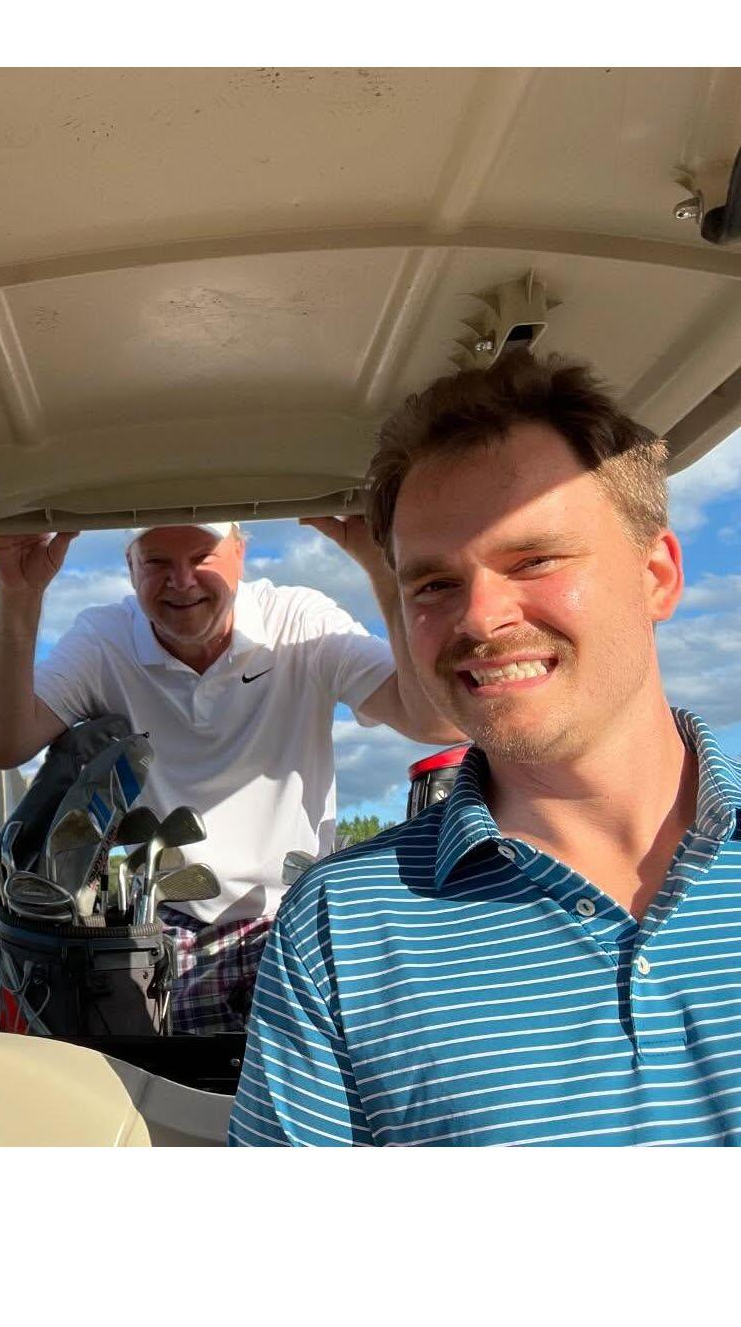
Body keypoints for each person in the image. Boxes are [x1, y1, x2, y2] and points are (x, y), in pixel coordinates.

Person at [230, 349, 741, 1146]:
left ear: (658, 575)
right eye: (433, 584)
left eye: (533, 559)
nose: (479, 618)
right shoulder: (344, 928)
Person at [0, 517, 460, 1034]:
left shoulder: (299, 621)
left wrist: (387, 573)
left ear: (240, 556)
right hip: (169, 925)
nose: (181, 581)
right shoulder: (104, 638)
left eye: (202, 557)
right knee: (176, 1103)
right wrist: (18, 594)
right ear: (131, 567)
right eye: (158, 561)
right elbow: (4, 743)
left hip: (291, 914)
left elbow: (434, 719)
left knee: (302, 1102)